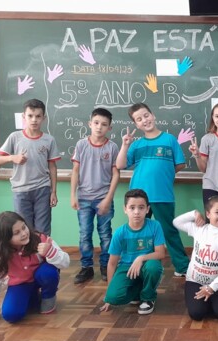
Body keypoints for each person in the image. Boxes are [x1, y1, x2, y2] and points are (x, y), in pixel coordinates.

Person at [116, 102, 188, 277]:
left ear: (153, 115)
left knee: (169, 231)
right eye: (139, 119)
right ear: (136, 124)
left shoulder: (169, 140)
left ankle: (183, 267)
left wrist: (163, 174)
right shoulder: (136, 144)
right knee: (138, 232)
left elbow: (180, 164)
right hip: (139, 197)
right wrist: (125, 145)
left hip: (163, 195)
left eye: (146, 115)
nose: (144, 120)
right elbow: (120, 164)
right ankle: (137, 264)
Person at [0, 211, 70, 323]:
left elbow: (66, 262)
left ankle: (48, 297)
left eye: (24, 227)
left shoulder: (41, 239)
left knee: (48, 272)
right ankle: (33, 298)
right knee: (11, 315)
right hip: (20, 284)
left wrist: (51, 252)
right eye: (16, 233)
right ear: (4, 239)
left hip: (41, 277)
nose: (24, 233)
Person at [0, 98, 61, 236]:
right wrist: (13, 157)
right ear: (24, 117)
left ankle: (41, 258)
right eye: (30, 116)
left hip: (42, 190)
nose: (34, 120)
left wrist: (53, 191)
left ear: (44, 118)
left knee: (42, 230)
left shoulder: (49, 140)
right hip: (21, 191)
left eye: (38, 116)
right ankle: (27, 257)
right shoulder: (15, 137)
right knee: (24, 230)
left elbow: (52, 167)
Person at [71, 107, 120, 284]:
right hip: (84, 198)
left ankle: (106, 267)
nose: (99, 127)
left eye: (104, 124)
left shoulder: (113, 147)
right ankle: (86, 268)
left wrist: (108, 198)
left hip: (103, 198)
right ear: (90, 124)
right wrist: (73, 195)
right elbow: (75, 171)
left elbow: (116, 174)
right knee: (85, 233)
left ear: (110, 128)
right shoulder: (81, 145)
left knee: (105, 234)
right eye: (96, 123)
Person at [100, 189, 166, 315]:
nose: (136, 212)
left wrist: (140, 258)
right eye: (132, 207)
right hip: (126, 268)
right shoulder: (120, 233)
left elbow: (161, 253)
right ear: (125, 209)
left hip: (147, 265)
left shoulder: (155, 226)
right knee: (114, 297)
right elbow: (112, 263)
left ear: (147, 209)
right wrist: (109, 293)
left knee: (153, 267)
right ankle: (138, 291)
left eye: (141, 208)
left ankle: (148, 298)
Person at [173, 196, 218, 321]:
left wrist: (212, 288)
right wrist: (194, 213)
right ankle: (203, 302)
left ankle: (214, 299)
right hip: (195, 280)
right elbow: (176, 222)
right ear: (208, 214)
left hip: (217, 282)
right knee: (196, 314)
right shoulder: (199, 229)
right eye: (217, 212)